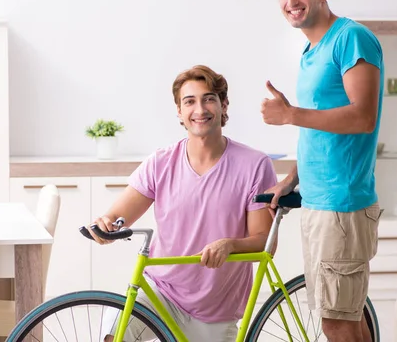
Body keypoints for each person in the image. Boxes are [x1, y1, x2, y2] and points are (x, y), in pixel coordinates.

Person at [89, 64, 277, 342]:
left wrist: (230, 244)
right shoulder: (160, 163)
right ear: (179, 111)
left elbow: (265, 242)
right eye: (189, 101)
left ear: (223, 105)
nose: (199, 109)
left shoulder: (254, 165)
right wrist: (105, 226)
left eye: (209, 98)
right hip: (160, 292)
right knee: (112, 333)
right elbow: (118, 217)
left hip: (215, 311)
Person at [261, 0, 384, 342]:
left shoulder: (350, 37)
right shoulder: (312, 51)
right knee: (345, 318)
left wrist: (290, 114)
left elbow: (362, 117)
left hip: (342, 206)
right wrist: (291, 179)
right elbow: (319, 131)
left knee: (336, 323)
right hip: (319, 202)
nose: (291, 0)